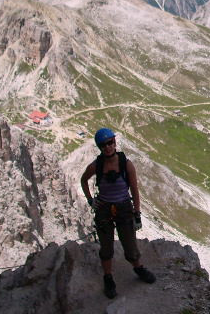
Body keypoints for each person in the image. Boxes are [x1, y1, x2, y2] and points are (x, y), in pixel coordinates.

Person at [80, 127, 156, 299]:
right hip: (104, 209)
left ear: (114, 142)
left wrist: (137, 213)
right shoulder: (97, 165)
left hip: (124, 208)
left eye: (110, 143)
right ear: (99, 147)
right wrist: (91, 201)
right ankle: (108, 278)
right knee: (106, 247)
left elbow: (135, 190)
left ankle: (138, 268)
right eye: (103, 145)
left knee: (129, 243)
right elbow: (83, 180)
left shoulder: (126, 164)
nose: (107, 147)